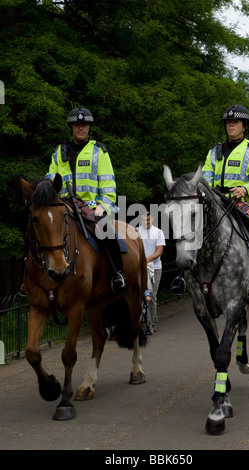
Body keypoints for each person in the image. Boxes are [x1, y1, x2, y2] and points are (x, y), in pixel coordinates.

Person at [172, 104, 249, 296]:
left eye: (235, 122)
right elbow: (205, 178)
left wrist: (244, 189)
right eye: (228, 123)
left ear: (244, 126)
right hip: (217, 202)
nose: (231, 126)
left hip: (244, 203)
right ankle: (181, 277)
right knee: (190, 228)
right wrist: (208, 194)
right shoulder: (214, 151)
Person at [46, 107, 125, 292]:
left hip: (91, 207)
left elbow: (108, 183)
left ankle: (118, 273)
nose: (80, 128)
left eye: (84, 125)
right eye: (77, 125)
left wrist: (103, 206)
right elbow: (50, 180)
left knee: (105, 230)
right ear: (71, 128)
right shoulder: (59, 152)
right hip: (64, 205)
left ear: (89, 128)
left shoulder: (99, 151)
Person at [137, 210, 166, 333]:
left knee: (152, 295)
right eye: (143, 220)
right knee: (139, 295)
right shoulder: (136, 231)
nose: (145, 222)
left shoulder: (158, 232)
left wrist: (147, 259)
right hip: (139, 268)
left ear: (152, 219)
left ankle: (152, 322)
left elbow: (159, 251)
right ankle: (139, 322)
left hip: (155, 268)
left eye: (147, 219)